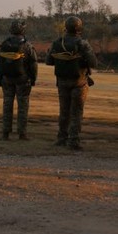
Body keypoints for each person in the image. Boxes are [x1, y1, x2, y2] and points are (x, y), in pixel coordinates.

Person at [46, 16, 97, 150]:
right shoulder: (83, 44)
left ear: (66, 27)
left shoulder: (57, 43)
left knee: (64, 111)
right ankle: (73, 141)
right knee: (76, 112)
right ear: (79, 28)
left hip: (62, 82)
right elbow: (93, 62)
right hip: (79, 82)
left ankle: (61, 138)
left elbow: (49, 61)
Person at [0, 17, 38, 140]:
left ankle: (5, 133)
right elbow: (33, 64)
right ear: (22, 30)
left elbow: (0, 63)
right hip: (23, 80)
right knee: (23, 107)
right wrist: (33, 79)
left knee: (7, 106)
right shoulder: (27, 45)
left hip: (7, 79)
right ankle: (22, 133)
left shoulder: (4, 44)